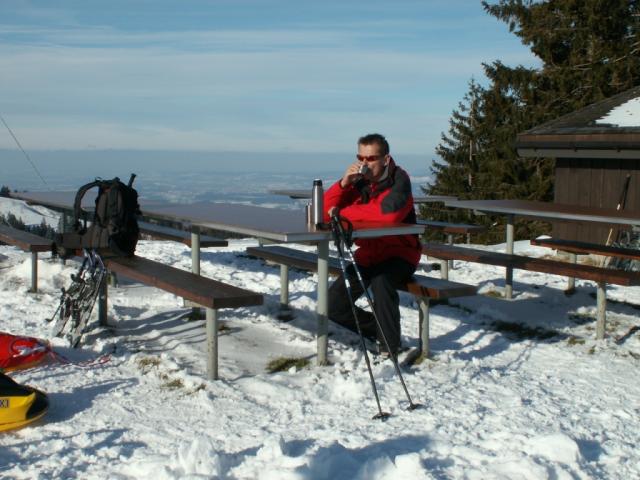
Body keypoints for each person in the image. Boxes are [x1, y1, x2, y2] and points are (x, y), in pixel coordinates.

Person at [323, 133, 422, 357]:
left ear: (385, 159)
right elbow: (325, 213)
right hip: (368, 254)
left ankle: (390, 347)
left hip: (400, 254)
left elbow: (387, 215)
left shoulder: (399, 180)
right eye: (361, 158)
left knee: (381, 282)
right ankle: (382, 331)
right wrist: (343, 184)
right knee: (332, 305)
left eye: (371, 158)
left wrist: (343, 214)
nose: (364, 163)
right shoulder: (359, 182)